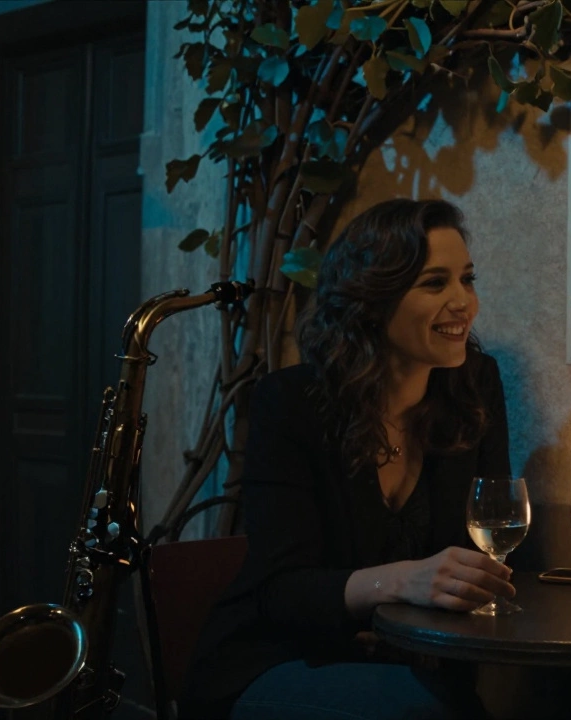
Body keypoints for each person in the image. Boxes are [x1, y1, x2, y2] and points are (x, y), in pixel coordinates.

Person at [179, 198, 514, 720]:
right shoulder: (291, 403)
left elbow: (493, 532)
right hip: (279, 660)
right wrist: (402, 580)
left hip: (415, 664)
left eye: (466, 279)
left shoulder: (475, 386)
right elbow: (281, 592)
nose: (463, 303)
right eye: (434, 283)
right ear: (372, 299)